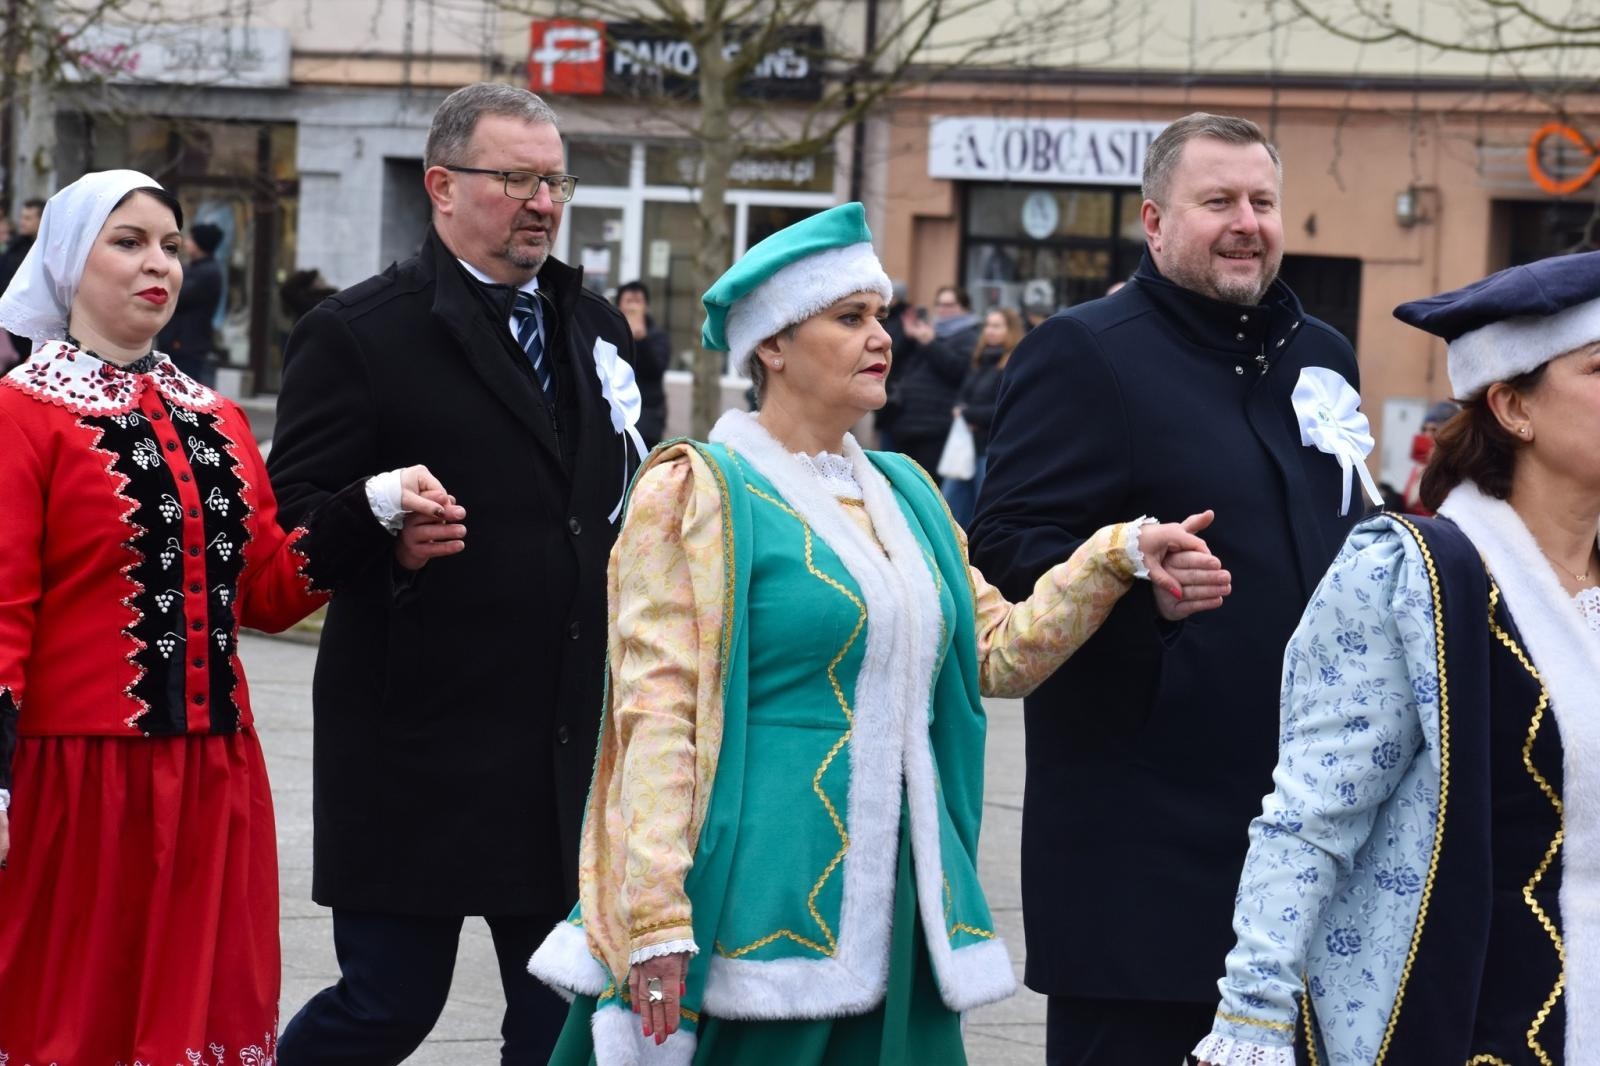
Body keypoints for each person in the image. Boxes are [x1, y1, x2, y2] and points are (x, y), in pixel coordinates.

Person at [527, 201, 1231, 1065]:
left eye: (884, 316)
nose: (882, 339)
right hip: (753, 907)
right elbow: (656, 712)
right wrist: (656, 914)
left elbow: (998, 655)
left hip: (906, 901)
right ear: (772, 345)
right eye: (850, 317)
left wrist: (1115, 556)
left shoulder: (908, 493)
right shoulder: (697, 492)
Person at [0, 170, 462, 1064]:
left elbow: (267, 592)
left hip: (214, 778)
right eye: (128, 242)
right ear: (67, 262)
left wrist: (369, 509)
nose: (159, 264)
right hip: (81, 783)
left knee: (197, 1019)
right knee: (72, 1020)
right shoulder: (22, 414)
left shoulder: (217, 419)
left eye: (171, 246)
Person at [968, 112, 1369, 1064]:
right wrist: (1131, 574)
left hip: (1306, 837)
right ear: (1154, 222)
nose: (1246, 223)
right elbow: (1007, 547)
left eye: (1262, 201)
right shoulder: (1084, 351)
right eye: (1217, 201)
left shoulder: (1322, 355)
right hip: (1141, 850)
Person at [268, 83, 647, 1065]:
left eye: (554, 181)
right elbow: (290, 524)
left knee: (559, 1022)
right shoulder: (359, 331)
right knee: (386, 1006)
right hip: (415, 747)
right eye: (515, 179)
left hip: (561, 747)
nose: (542, 203)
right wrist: (381, 527)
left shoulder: (595, 326)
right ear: (441, 186)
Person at [1195, 250, 1600, 1066]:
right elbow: (1310, 821)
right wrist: (1253, 1020)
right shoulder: (1411, 579)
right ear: (1513, 406)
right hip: (1476, 1027)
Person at [942, 306, 1023, 527]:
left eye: (997, 326)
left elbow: (1007, 409)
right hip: (965, 447)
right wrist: (962, 411)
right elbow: (962, 397)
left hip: (990, 450)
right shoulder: (979, 361)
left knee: (984, 512)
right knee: (949, 509)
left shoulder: (1013, 365)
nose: (990, 331)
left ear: (1011, 330)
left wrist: (968, 414)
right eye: (988, 325)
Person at [156, 220, 224, 383]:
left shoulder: (207, 272)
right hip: (177, 343)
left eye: (191, 239)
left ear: (200, 243)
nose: (186, 243)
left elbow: (176, 297)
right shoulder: (193, 268)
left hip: (188, 345)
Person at [615, 279, 670, 446]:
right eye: (628, 301)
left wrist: (640, 339)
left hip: (647, 417)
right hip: (614, 414)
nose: (633, 307)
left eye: (638, 302)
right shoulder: (610, 332)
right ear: (619, 306)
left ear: (646, 306)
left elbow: (655, 370)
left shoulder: (657, 336)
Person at [0, 197, 44, 364]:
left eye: (28, 218)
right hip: (14, 320)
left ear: (41, 220)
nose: (22, 222)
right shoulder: (15, 247)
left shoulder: (47, 250)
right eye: (21, 217)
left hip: (37, 322)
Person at [1400, 397, 1460, 515]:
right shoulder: (1420, 465)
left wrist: (1437, 466)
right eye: (1424, 429)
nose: (1427, 435)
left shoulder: (1456, 467)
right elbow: (1410, 502)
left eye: (1434, 430)